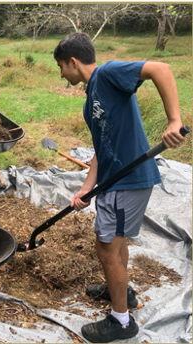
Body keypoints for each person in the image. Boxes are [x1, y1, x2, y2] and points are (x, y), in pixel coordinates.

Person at [53, 32, 185, 343]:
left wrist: (173, 120)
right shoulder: (91, 101)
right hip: (113, 182)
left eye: (61, 66)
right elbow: (101, 150)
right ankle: (121, 291)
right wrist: (86, 189)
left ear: (73, 61)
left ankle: (121, 321)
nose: (61, 74)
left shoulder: (108, 74)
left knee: (106, 247)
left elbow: (161, 70)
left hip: (129, 180)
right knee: (116, 243)